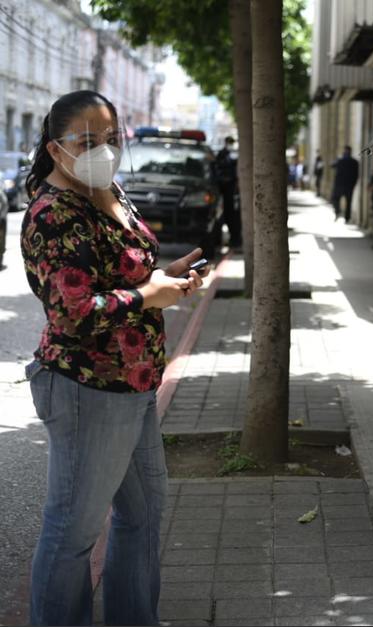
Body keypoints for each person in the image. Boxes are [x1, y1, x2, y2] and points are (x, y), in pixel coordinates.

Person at [20, 90, 206, 625]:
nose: (103, 149)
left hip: (133, 386)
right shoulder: (53, 213)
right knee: (72, 532)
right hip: (86, 388)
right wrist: (150, 296)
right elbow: (73, 311)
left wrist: (163, 279)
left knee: (143, 517)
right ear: (57, 150)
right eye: (87, 141)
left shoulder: (107, 191)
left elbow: (122, 273)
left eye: (110, 138)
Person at [215, 136, 241, 248]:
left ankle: (235, 240)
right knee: (225, 217)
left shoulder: (234, 155)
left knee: (232, 218)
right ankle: (230, 240)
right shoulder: (222, 154)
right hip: (224, 192)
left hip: (231, 192)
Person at [331, 145, 359, 223]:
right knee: (348, 202)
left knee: (335, 199)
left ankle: (338, 212)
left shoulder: (340, 160)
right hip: (349, 186)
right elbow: (356, 175)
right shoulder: (354, 162)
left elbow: (332, 165)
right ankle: (347, 217)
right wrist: (353, 184)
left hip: (340, 185)